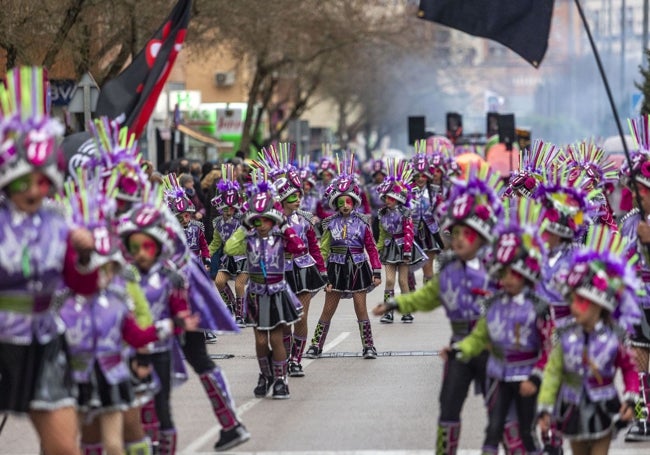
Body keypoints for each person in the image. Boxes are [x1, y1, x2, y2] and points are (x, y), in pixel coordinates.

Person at [373, 163, 502, 454]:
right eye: (453, 234)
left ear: (481, 235)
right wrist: (395, 302)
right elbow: (428, 297)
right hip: (458, 349)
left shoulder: (497, 272)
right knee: (447, 411)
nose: (455, 240)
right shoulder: (450, 270)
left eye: (464, 235)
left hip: (493, 351)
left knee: (501, 417)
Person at [0, 66, 95, 455]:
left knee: (63, 447)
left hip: (44, 341)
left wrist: (85, 253)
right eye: (26, 180)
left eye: (42, 180)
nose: (35, 190)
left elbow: (83, 285)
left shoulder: (59, 225)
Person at [58, 173, 176, 455]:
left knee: (129, 430)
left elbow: (141, 320)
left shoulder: (123, 284)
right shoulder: (62, 298)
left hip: (118, 365)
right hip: (77, 374)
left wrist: (143, 354)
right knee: (78, 439)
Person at [452, 198, 552, 454]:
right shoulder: (493, 303)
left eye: (513, 273)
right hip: (497, 376)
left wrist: (536, 377)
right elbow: (479, 334)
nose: (507, 279)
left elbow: (549, 350)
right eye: (502, 273)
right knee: (495, 430)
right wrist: (459, 351)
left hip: (527, 378)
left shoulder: (538, 307)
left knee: (528, 436)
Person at [537, 225, 642, 455]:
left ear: (599, 305)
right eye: (572, 300)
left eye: (581, 302)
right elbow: (553, 373)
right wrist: (545, 407)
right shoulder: (565, 337)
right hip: (573, 407)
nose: (573, 307)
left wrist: (632, 396)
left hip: (603, 407)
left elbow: (629, 368)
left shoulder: (614, 337)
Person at [224, 177, 307, 399]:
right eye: (257, 221)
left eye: (267, 220)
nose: (262, 225)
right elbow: (230, 248)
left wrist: (285, 225)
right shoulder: (248, 238)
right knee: (260, 341)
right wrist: (243, 226)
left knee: (276, 339)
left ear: (273, 219)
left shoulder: (281, 238)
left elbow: (298, 246)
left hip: (277, 292)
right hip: (256, 293)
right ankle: (265, 375)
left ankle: (281, 380)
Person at [254, 145, 328, 377]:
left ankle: (296, 359)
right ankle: (283, 358)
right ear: (283, 199)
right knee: (284, 320)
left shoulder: (305, 219)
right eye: (293, 197)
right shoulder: (271, 221)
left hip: (304, 270)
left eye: (300, 196)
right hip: (280, 272)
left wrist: (323, 270)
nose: (298, 200)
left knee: (301, 316)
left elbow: (314, 246)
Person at [305, 159, 382, 360]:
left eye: (348, 201)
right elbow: (323, 250)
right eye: (341, 202)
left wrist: (376, 270)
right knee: (327, 310)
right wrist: (321, 273)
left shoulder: (363, 221)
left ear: (354, 201)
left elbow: (371, 248)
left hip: (359, 268)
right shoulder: (329, 223)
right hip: (335, 270)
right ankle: (315, 345)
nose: (345, 205)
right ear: (335, 203)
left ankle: (369, 346)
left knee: (361, 308)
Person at [618, 117, 650, 441]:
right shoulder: (630, 221)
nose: (639, 195)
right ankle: (643, 417)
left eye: (645, 190)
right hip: (640, 301)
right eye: (637, 189)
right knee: (640, 361)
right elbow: (623, 258)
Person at [376, 158, 425, 324]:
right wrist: (378, 248)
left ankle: (406, 309)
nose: (387, 200)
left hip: (403, 247)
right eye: (386, 198)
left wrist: (407, 250)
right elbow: (382, 234)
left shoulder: (405, 212)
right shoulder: (382, 214)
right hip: (389, 249)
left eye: (391, 198)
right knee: (389, 280)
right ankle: (388, 311)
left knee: (403, 281)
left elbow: (409, 232)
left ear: (397, 198)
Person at [209, 164, 248, 326]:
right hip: (228, 257)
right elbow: (215, 243)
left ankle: (241, 315)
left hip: (245, 256)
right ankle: (231, 306)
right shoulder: (218, 222)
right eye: (226, 208)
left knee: (239, 284)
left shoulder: (243, 218)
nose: (229, 211)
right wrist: (205, 256)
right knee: (219, 281)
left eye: (231, 208)